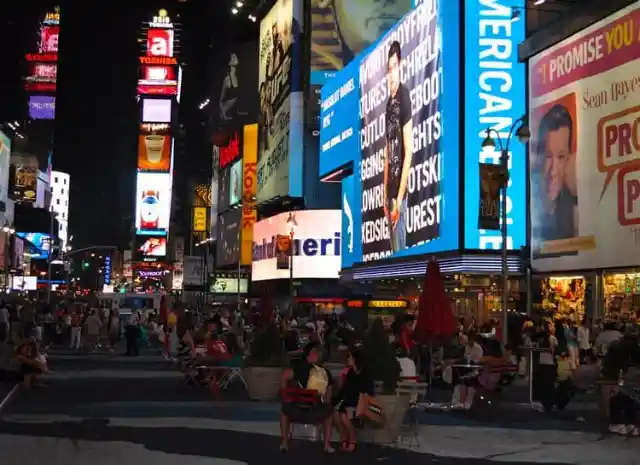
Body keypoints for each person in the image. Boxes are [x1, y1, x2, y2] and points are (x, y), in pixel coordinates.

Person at [383, 40, 413, 253]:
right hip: (391, 192)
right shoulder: (388, 103)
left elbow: (408, 151)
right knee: (394, 251)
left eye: (395, 66)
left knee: (400, 252)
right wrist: (385, 194)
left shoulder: (404, 96)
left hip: (400, 195)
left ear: (400, 66)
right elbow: (387, 151)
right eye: (389, 68)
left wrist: (398, 200)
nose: (392, 73)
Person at [280, 343, 334, 454]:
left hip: (295, 410)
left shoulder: (300, 368)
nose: (309, 354)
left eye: (312, 353)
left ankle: (284, 443)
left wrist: (285, 394)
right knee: (329, 413)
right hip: (316, 412)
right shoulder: (327, 373)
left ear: (317, 356)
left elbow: (284, 376)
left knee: (284, 411)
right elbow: (328, 397)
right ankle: (327, 445)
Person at [535, 103, 578, 244]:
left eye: (560, 157)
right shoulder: (525, 207)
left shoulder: (576, 213)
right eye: (548, 156)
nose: (553, 171)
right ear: (538, 156)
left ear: (568, 158)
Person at [332, 347, 374, 452]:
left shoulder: (365, 374)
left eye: (349, 357)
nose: (348, 359)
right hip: (349, 402)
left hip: (361, 403)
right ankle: (345, 437)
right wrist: (333, 402)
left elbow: (368, 392)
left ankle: (351, 438)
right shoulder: (350, 373)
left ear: (355, 359)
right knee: (336, 413)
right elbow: (344, 390)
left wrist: (356, 405)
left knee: (343, 413)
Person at [608, 349, 640, 436]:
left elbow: (625, 386)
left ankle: (618, 423)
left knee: (619, 399)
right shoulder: (632, 371)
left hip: (630, 397)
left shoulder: (631, 371)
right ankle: (631, 423)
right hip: (633, 398)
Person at [532, 324, 558, 412]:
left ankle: (543, 403)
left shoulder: (538, 340)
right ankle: (550, 403)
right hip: (549, 362)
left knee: (543, 384)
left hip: (541, 363)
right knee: (549, 384)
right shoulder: (552, 338)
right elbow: (554, 350)